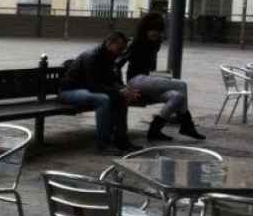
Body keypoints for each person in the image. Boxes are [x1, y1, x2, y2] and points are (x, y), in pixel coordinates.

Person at [118, 12, 206, 141]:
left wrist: (160, 79)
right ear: (145, 29)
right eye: (153, 31)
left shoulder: (156, 43)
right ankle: (187, 125)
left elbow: (151, 69)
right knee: (181, 85)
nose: (156, 34)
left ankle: (154, 129)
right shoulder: (135, 43)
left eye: (159, 31)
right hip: (135, 81)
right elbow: (117, 65)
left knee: (177, 96)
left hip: (146, 83)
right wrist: (122, 88)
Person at [59, 32, 142, 153]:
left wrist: (124, 90)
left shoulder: (110, 57)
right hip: (69, 92)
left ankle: (121, 140)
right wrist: (119, 91)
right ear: (110, 43)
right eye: (119, 48)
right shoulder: (92, 56)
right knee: (102, 99)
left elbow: (113, 81)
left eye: (123, 49)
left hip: (87, 90)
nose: (121, 52)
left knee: (120, 98)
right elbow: (94, 86)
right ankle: (103, 145)